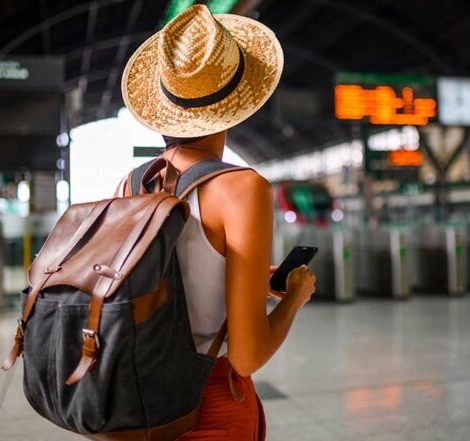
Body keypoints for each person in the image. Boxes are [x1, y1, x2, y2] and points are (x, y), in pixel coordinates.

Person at [121, 5, 316, 439]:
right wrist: (294, 298)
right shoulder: (242, 188)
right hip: (206, 408)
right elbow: (246, 357)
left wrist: (245, 280)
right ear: (237, 106)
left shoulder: (131, 183)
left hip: (134, 403)